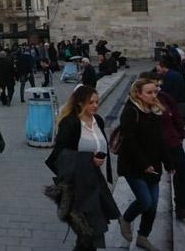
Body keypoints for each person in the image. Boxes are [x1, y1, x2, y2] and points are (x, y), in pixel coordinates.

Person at [46, 85, 120, 250]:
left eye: (97, 102)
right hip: (76, 187)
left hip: (95, 184)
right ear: (80, 103)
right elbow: (58, 156)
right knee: (86, 233)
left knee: (92, 232)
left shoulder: (98, 120)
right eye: (90, 102)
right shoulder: (70, 123)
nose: (95, 105)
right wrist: (88, 160)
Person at [117, 79, 174, 251]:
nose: (153, 95)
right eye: (148, 92)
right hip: (133, 166)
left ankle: (143, 236)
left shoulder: (154, 111)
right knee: (145, 201)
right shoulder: (130, 112)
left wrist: (168, 162)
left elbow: (160, 140)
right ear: (138, 94)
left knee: (153, 205)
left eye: (154, 92)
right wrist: (144, 165)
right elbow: (129, 141)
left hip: (154, 165)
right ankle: (125, 219)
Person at [145, 72, 185, 221]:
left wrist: (180, 133)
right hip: (152, 145)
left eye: (158, 86)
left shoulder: (165, 98)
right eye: (153, 87)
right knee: (151, 178)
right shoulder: (139, 103)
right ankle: (145, 209)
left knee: (182, 170)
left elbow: (176, 116)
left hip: (171, 141)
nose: (156, 90)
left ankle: (181, 207)